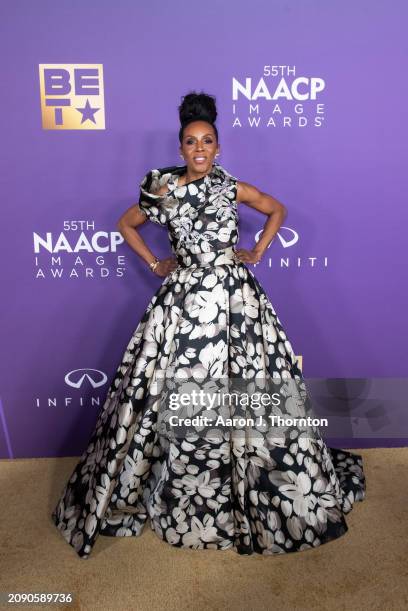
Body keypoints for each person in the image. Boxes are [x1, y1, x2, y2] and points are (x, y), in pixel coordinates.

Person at [51, 91, 366, 559]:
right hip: (183, 306)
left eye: (207, 141)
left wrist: (257, 251)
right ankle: (184, 488)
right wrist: (157, 262)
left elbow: (276, 209)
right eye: (191, 142)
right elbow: (126, 223)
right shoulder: (164, 188)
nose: (199, 149)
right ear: (180, 149)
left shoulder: (231, 186)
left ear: (218, 147)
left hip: (237, 303)